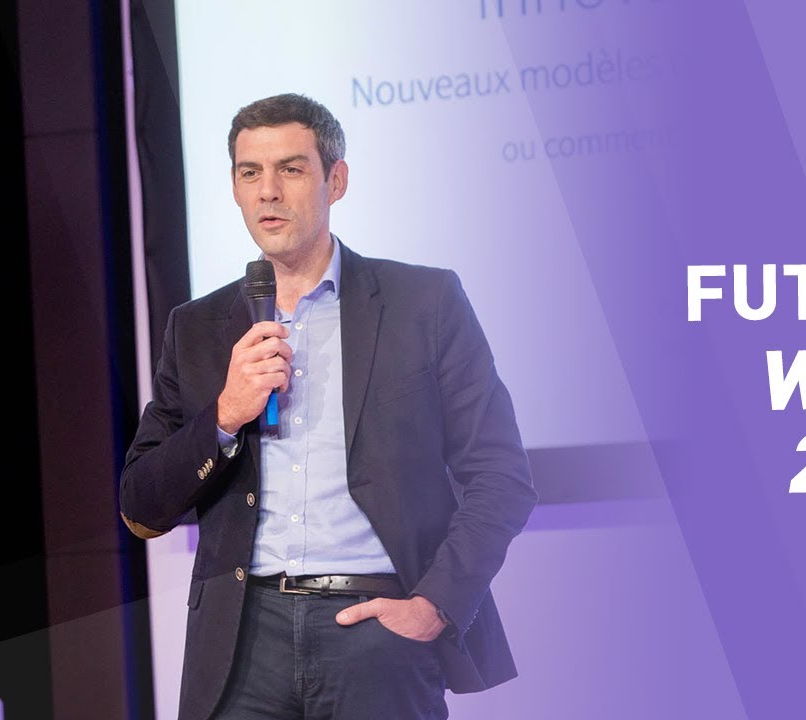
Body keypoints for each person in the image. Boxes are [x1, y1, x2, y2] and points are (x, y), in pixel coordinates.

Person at [119, 93, 537, 720]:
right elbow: (142, 508)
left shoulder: (422, 303)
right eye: (250, 173)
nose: (268, 191)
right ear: (233, 188)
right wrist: (225, 415)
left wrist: (433, 607)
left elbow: (502, 476)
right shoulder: (198, 327)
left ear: (335, 180)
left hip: (374, 630)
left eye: (290, 169)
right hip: (241, 644)